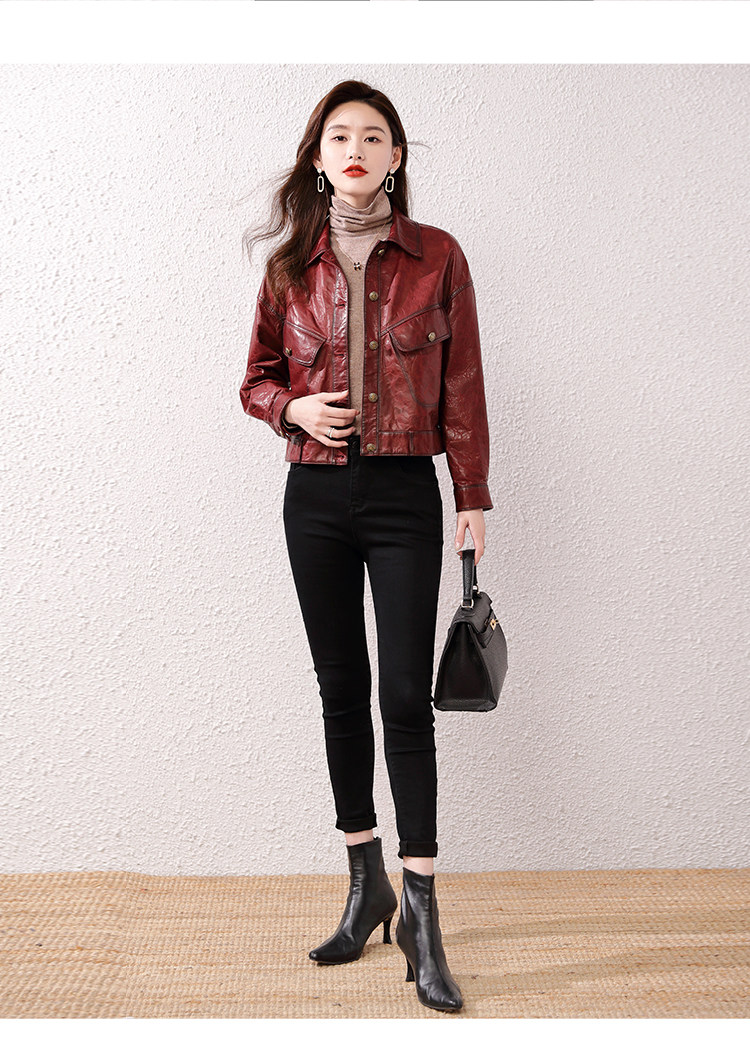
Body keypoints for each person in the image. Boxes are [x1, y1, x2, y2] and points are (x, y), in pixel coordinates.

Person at [239, 80, 492, 1014]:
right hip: (312, 496)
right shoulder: (288, 267)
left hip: (401, 496)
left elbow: (462, 384)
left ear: (396, 157)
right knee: (339, 689)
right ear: (318, 158)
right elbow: (255, 379)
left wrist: (472, 495)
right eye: (339, 136)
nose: (356, 148)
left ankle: (421, 907)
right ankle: (365, 881)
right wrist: (293, 407)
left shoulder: (438, 257)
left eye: (374, 136)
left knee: (403, 698)